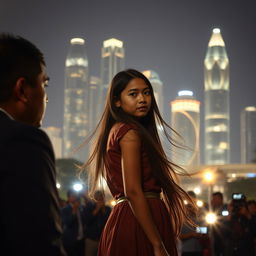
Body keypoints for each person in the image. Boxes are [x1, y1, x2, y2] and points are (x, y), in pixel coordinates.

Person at [83, 69, 196, 256]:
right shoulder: (129, 132)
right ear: (117, 101)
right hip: (140, 219)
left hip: (129, 216)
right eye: (133, 94)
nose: (142, 99)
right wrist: (157, 244)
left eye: (146, 92)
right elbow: (133, 191)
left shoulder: (117, 130)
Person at [0, 33, 66, 255]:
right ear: (22, 90)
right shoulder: (23, 141)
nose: (46, 97)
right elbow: (41, 242)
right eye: (43, 84)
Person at [84, 190, 111, 256]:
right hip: (91, 240)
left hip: (103, 240)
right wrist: (96, 209)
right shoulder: (89, 207)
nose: (100, 201)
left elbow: (109, 222)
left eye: (101, 199)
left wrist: (103, 210)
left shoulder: (107, 209)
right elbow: (87, 221)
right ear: (94, 199)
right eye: (98, 199)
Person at [61, 189, 85, 256]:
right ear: (68, 198)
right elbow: (67, 223)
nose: (75, 197)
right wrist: (74, 210)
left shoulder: (80, 208)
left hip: (81, 239)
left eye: (75, 195)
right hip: (71, 240)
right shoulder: (64, 209)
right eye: (72, 196)